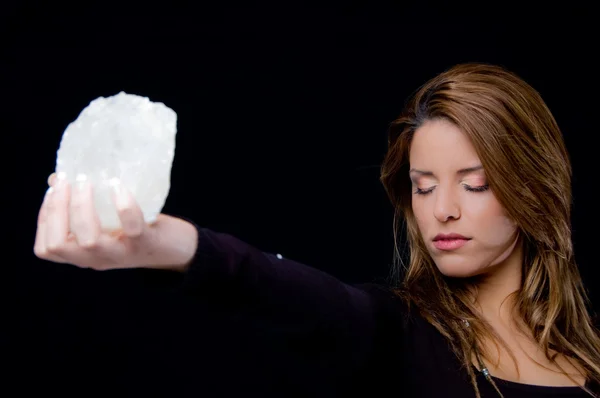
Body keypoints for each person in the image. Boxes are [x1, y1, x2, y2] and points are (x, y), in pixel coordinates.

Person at [34, 63, 600, 397]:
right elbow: (280, 288)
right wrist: (163, 244)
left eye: (474, 184)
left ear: (535, 187)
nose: (442, 210)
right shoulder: (395, 333)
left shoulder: (591, 360)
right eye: (423, 186)